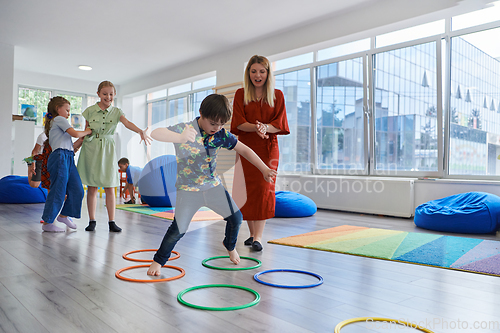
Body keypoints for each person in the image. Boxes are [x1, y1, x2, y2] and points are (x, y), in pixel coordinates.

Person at [147, 94, 277, 276]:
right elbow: (155, 133)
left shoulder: (221, 135)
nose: (217, 128)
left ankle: (229, 245)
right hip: (188, 191)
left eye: (221, 124)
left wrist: (264, 169)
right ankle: (158, 261)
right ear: (201, 114)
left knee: (236, 218)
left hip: (212, 187)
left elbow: (244, 150)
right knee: (178, 229)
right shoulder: (185, 129)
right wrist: (179, 136)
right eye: (213, 123)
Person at [230, 55, 290, 251]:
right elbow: (238, 123)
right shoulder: (241, 94)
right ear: (248, 73)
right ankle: (251, 234)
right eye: (254, 71)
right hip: (246, 147)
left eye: (262, 71)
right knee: (248, 189)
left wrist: (265, 127)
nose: (258, 75)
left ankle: (258, 237)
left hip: (268, 148)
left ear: (268, 74)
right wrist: (257, 128)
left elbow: (279, 124)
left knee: (264, 188)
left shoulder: (278, 95)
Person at [77, 81, 151, 232]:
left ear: (114, 95)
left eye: (111, 94)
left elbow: (127, 123)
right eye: (105, 94)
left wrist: (140, 131)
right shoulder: (89, 111)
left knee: (110, 186)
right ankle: (92, 221)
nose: (108, 97)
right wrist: (75, 147)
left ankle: (112, 221)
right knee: (92, 187)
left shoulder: (117, 112)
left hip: (108, 150)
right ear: (98, 94)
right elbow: (85, 132)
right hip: (91, 148)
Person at [40, 97, 92, 232]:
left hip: (68, 157)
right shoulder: (58, 119)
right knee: (58, 190)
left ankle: (63, 215)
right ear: (58, 109)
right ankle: (47, 223)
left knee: (78, 190)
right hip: (59, 158)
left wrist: (82, 139)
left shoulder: (60, 124)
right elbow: (74, 133)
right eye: (67, 110)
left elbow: (71, 146)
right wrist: (87, 130)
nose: (69, 113)